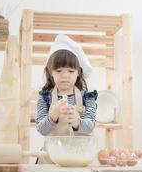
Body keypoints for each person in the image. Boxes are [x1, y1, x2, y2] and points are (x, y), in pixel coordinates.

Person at [35, 34, 98, 164]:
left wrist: (76, 122)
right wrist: (53, 115)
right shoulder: (44, 97)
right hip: (51, 161)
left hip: (79, 159)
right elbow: (42, 129)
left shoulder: (88, 97)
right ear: (50, 71)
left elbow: (90, 126)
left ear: (78, 72)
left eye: (70, 71)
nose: (64, 75)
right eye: (58, 71)